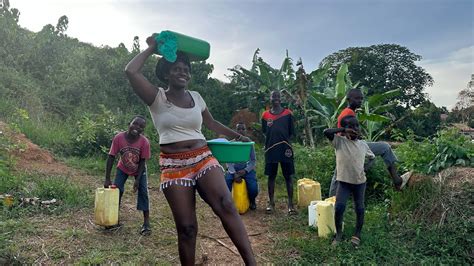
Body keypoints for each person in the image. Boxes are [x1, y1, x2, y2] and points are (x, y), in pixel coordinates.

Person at [124, 34, 256, 265]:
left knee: (226, 204)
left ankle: (251, 263)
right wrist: (153, 47)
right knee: (187, 228)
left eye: (186, 68)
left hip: (203, 157)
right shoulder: (156, 97)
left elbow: (212, 124)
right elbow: (131, 71)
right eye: (177, 68)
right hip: (173, 166)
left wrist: (238, 136)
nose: (183, 72)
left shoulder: (197, 97)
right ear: (166, 73)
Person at [328, 89, 411, 197]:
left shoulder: (348, 112)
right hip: (351, 146)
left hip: (348, 146)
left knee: (339, 173)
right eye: (357, 98)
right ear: (348, 99)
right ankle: (397, 180)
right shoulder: (348, 113)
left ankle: (331, 200)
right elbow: (346, 132)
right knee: (385, 147)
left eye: (361, 98)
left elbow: (348, 131)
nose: (360, 101)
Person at [324, 115, 375, 246]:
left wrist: (365, 168)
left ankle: (357, 234)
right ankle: (339, 234)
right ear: (345, 129)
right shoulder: (339, 142)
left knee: (360, 208)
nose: (355, 129)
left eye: (356, 126)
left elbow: (372, 158)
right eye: (351, 126)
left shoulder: (363, 144)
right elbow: (326, 132)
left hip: (360, 183)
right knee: (339, 207)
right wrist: (343, 130)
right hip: (344, 182)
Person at [104, 115, 151, 235]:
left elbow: (142, 161)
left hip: (139, 169)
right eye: (135, 123)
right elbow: (111, 157)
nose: (137, 127)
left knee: (143, 192)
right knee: (116, 191)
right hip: (123, 167)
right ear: (129, 123)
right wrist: (107, 178)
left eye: (141, 126)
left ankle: (146, 224)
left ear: (143, 130)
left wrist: (138, 180)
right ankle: (113, 219)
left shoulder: (144, 142)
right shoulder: (119, 138)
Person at [261, 90, 296, 215]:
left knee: (288, 177)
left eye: (277, 96)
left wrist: (284, 143)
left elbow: (292, 132)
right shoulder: (265, 115)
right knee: (271, 176)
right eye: (273, 96)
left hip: (286, 149)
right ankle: (271, 203)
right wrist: (272, 141)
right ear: (269, 99)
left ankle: (291, 205)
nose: (275, 98)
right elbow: (264, 132)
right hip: (271, 149)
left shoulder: (288, 114)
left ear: (280, 99)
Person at [225, 122, 258, 210]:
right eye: (238, 129)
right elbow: (228, 160)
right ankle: (227, 204)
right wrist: (234, 173)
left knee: (253, 188)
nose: (241, 131)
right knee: (226, 184)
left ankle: (252, 200)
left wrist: (246, 170)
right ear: (235, 131)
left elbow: (253, 160)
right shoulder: (230, 144)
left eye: (243, 129)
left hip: (246, 169)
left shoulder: (249, 144)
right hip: (233, 169)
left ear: (246, 131)